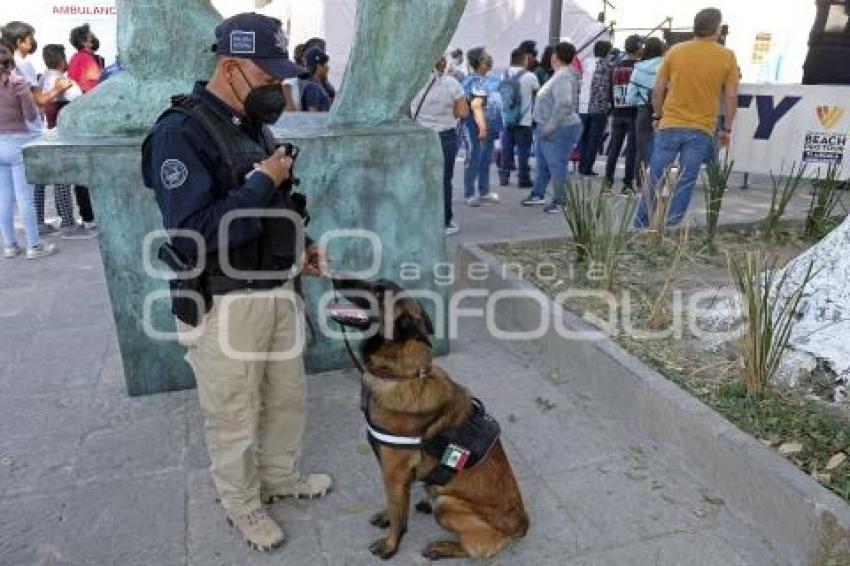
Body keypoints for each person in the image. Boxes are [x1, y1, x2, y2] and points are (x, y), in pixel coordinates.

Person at [141, 13, 331, 552]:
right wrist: (261, 181)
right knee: (234, 413)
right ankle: (243, 504)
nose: (277, 90)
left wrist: (303, 244)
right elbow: (191, 231)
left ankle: (279, 478)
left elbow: (273, 201)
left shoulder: (251, 124)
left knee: (286, 398)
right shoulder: (180, 133)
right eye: (268, 79)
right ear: (230, 68)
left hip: (276, 289)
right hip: (225, 303)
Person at [635, 8, 738, 228]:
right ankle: (671, 228)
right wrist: (727, 128)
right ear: (717, 28)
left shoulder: (675, 51)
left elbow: (658, 88)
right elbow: (730, 96)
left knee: (655, 176)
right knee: (684, 181)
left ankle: (640, 225)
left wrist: (658, 114)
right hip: (701, 128)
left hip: (670, 123)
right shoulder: (727, 56)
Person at [0, 45, 56, 259]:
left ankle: (10, 245)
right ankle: (34, 245)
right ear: (8, 64)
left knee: (4, 199)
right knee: (25, 197)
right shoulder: (17, 83)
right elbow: (32, 115)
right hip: (18, 143)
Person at [40, 43, 97, 240]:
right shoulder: (64, 82)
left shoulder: (43, 79)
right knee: (71, 178)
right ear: (60, 60)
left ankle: (65, 218)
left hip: (51, 130)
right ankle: (71, 220)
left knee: (58, 179)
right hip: (66, 133)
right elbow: (79, 101)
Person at [522, 42, 583, 213]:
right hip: (549, 125)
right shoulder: (561, 75)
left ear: (555, 56)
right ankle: (538, 193)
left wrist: (551, 125)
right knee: (543, 163)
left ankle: (561, 200)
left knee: (556, 164)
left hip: (558, 127)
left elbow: (564, 103)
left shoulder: (563, 76)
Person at [411, 56, 469, 236]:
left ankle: (420, 219)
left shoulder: (413, 81)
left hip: (420, 137)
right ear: (441, 63)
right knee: (444, 180)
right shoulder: (452, 84)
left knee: (421, 179)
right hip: (445, 136)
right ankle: (444, 222)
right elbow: (463, 111)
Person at [67, 23, 102, 231]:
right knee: (87, 169)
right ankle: (89, 215)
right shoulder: (85, 60)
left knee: (82, 170)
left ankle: (87, 214)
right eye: (91, 36)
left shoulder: (76, 59)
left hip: (80, 117)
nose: (94, 38)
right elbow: (93, 90)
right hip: (89, 119)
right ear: (84, 41)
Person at [603, 34, 643, 195]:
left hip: (617, 112)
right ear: (639, 47)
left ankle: (608, 182)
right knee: (631, 150)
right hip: (634, 112)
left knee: (614, 148)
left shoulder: (615, 67)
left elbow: (609, 90)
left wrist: (611, 107)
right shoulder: (639, 68)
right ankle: (627, 184)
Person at [461, 47, 500, 207]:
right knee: (474, 158)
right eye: (485, 58)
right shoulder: (471, 82)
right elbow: (474, 106)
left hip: (490, 124)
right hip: (475, 125)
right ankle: (469, 193)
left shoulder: (493, 79)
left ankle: (484, 191)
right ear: (477, 62)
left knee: (486, 159)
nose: (489, 60)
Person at [626, 37, 666, 187]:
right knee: (662, 148)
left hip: (643, 112)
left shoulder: (638, 67)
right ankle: (658, 183)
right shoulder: (666, 66)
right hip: (664, 111)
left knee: (642, 149)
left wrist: (643, 100)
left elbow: (629, 98)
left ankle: (641, 184)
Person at [498, 48, 539, 188]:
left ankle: (504, 177)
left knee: (506, 148)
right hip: (524, 119)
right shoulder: (530, 76)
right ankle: (523, 179)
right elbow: (537, 93)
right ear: (524, 60)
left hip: (507, 118)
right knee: (523, 150)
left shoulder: (503, 75)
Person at [577, 40, 613, 176]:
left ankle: (581, 165)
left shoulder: (586, 63)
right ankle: (587, 167)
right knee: (594, 139)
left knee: (584, 138)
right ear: (607, 52)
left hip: (583, 106)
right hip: (599, 107)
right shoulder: (608, 65)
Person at [300, 47, 332, 112]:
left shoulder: (322, 85)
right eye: (324, 64)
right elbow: (312, 115)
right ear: (317, 66)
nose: (327, 68)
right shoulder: (312, 87)